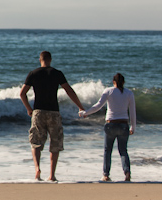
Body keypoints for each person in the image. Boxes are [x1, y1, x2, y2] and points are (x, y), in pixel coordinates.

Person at [19, 51, 84, 181]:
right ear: (50, 59)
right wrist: (80, 106)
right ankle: (52, 175)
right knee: (55, 142)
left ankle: (37, 169)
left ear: (40, 59)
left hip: (38, 111)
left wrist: (29, 109)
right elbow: (69, 90)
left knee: (36, 142)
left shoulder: (33, 73)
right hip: (54, 112)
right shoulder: (57, 73)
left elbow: (22, 93)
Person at [79, 73, 136, 182]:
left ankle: (106, 175)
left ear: (113, 82)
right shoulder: (129, 93)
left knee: (107, 150)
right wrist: (133, 127)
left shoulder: (108, 91)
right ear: (123, 82)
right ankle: (127, 172)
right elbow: (133, 112)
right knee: (123, 150)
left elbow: (98, 105)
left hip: (110, 124)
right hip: (123, 125)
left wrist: (85, 113)